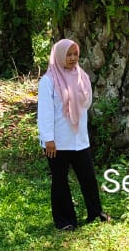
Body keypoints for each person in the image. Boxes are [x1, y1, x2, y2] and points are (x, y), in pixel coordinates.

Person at [37, 39, 109, 231]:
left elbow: (86, 104)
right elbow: (44, 112)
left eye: (75, 54)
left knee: (88, 178)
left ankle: (96, 213)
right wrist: (48, 139)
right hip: (57, 142)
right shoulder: (48, 81)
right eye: (68, 54)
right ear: (59, 56)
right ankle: (65, 220)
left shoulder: (81, 76)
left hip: (79, 139)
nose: (72, 58)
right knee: (60, 181)